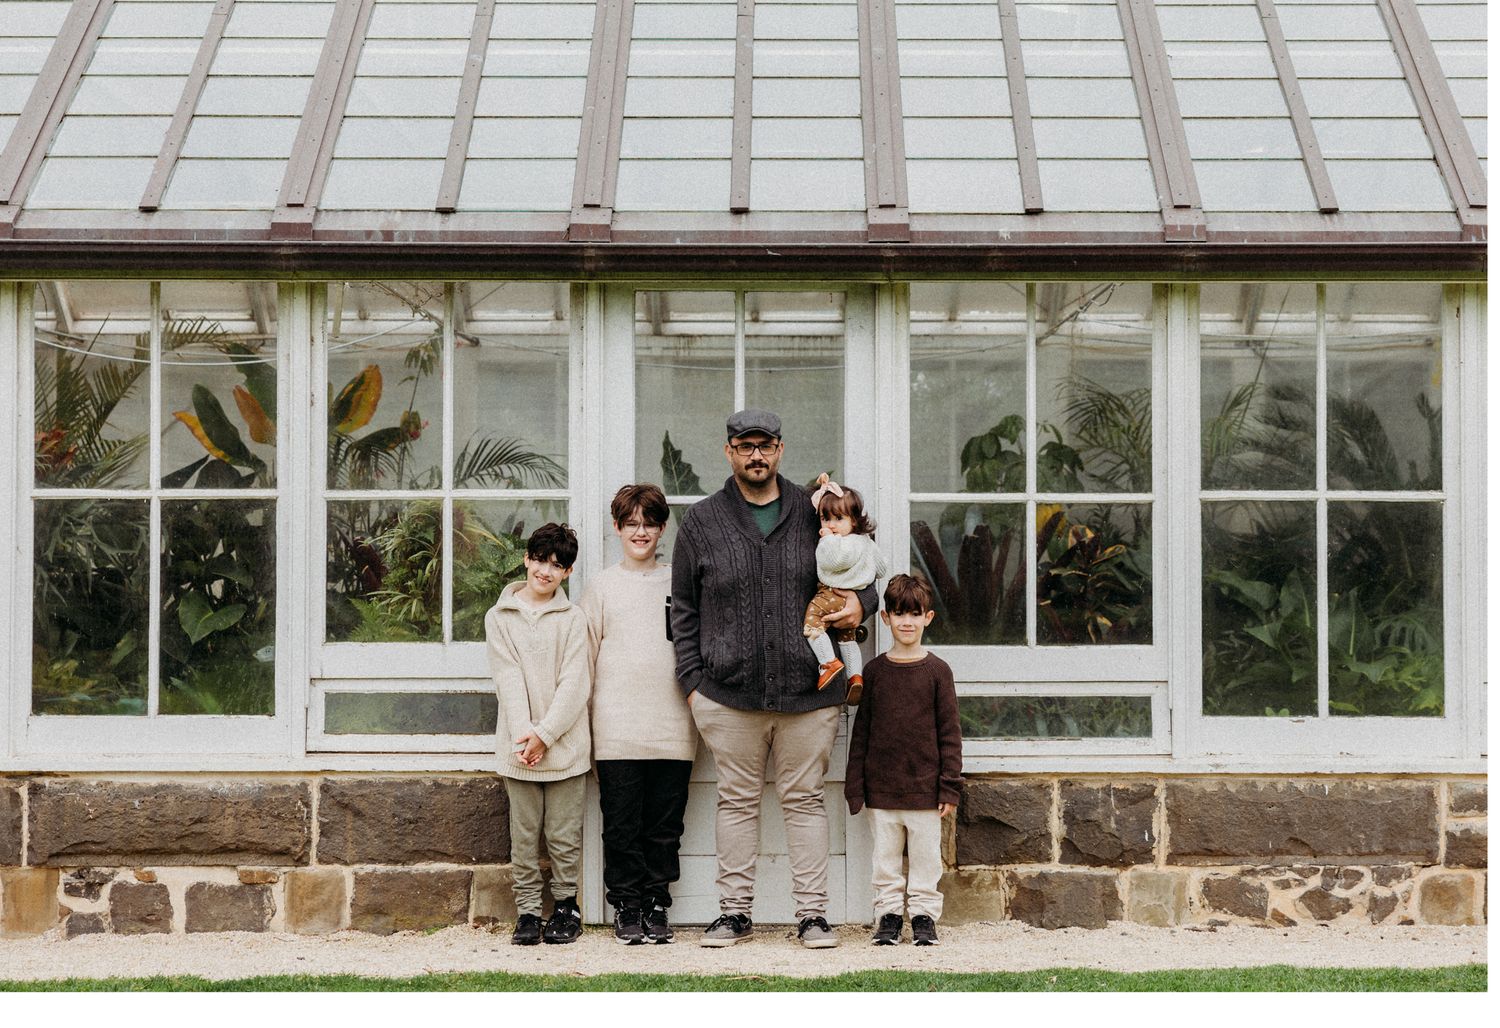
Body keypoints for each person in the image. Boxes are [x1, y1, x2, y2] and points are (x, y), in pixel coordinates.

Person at [671, 408, 878, 949]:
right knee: (736, 801)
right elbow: (684, 610)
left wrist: (864, 602)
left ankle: (812, 916)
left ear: (780, 449)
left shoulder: (815, 512)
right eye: (746, 446)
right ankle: (734, 914)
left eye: (765, 445)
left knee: (805, 801)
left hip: (810, 692)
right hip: (726, 695)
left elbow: (866, 565)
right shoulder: (701, 522)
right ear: (729, 452)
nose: (756, 455)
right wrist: (693, 683)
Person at [580, 484, 696, 945]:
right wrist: (587, 729)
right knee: (622, 825)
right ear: (617, 528)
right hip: (616, 728)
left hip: (673, 727)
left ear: (662, 528)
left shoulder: (678, 583)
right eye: (631, 524)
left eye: (649, 523)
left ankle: (656, 903)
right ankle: (626, 905)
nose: (640, 532)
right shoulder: (601, 587)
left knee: (665, 827)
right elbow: (584, 662)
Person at [484, 522, 591, 946]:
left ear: (567, 572)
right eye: (541, 561)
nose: (546, 571)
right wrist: (525, 736)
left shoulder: (574, 619)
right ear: (526, 559)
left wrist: (545, 734)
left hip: (565, 748)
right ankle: (528, 911)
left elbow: (575, 683)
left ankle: (566, 907)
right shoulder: (500, 617)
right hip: (519, 749)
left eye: (557, 565)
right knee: (524, 837)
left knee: (563, 837)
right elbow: (507, 677)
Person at [844, 574, 962, 946]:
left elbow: (949, 734)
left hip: (925, 792)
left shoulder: (938, 672)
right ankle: (889, 917)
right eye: (898, 614)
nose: (906, 622)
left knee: (926, 860)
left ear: (928, 617)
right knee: (885, 860)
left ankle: (924, 918)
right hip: (881, 791)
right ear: (885, 618)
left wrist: (949, 787)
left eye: (914, 614)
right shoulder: (875, 672)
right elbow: (861, 733)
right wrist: (855, 786)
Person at [804, 474, 887, 703]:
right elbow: (881, 569)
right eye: (825, 518)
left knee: (813, 623)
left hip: (831, 595)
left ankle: (828, 662)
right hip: (849, 600)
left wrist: (827, 540)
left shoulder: (837, 542)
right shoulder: (866, 542)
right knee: (847, 639)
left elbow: (833, 561)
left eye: (838, 518)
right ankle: (855, 677)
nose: (830, 525)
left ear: (854, 521)